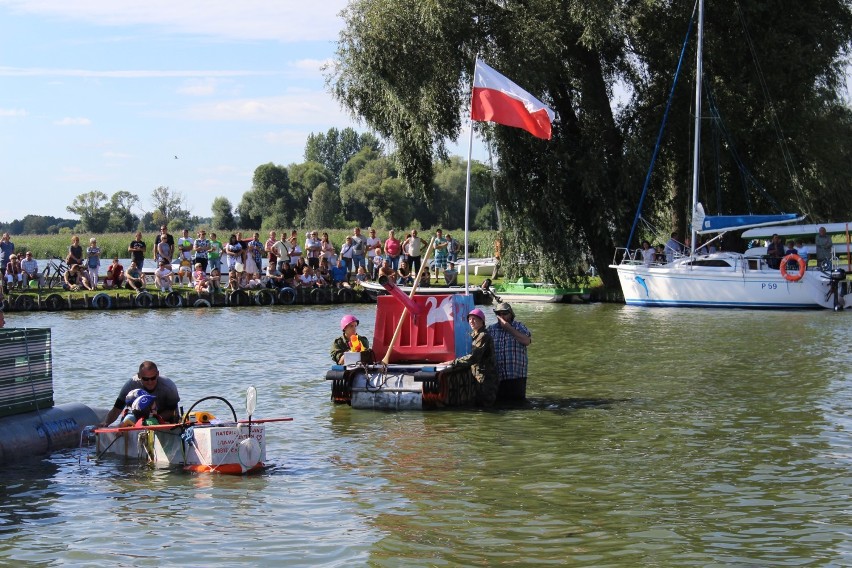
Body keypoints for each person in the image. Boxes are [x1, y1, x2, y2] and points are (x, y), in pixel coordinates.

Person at [443, 308, 498, 407]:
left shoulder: (483, 336)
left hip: (485, 378)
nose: (471, 321)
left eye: (474, 319)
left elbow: (474, 357)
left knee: (485, 407)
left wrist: (453, 362)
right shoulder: (474, 335)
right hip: (478, 376)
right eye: (470, 319)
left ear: (482, 321)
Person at [101, 361, 180, 426]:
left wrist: (154, 420)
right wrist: (105, 423)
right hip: (139, 418)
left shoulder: (168, 386)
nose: (150, 382)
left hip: (164, 419)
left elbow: (172, 411)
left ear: (158, 374)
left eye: (153, 378)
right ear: (139, 376)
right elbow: (117, 409)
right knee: (128, 419)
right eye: (145, 379)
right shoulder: (131, 385)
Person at [487, 302, 532, 402]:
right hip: (498, 376)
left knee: (517, 405)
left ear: (511, 314)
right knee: (500, 405)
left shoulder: (519, 326)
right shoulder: (491, 329)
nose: (502, 316)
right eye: (499, 314)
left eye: (505, 313)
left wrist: (508, 327)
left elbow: (527, 341)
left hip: (516, 376)